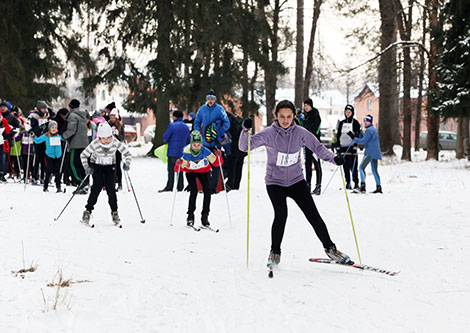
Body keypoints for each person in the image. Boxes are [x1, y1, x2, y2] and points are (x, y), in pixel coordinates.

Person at [239, 100, 351, 267]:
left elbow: (318, 148)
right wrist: (245, 130)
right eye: (282, 116)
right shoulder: (269, 133)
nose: (285, 120)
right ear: (276, 116)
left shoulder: (300, 132)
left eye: (289, 116)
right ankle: (275, 252)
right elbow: (244, 146)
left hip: (296, 181)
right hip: (274, 182)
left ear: (294, 116)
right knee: (281, 215)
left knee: (313, 214)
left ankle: (330, 249)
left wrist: (334, 159)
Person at [80, 122, 132, 226]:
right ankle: (87, 211)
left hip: (110, 166)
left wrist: (127, 163)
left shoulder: (115, 142)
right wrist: (87, 167)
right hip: (97, 166)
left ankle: (114, 212)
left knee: (111, 189)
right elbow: (83, 155)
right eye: (103, 138)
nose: (106, 140)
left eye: (108, 137)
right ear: (99, 137)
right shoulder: (95, 143)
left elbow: (127, 153)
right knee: (96, 188)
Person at [176, 131, 222, 227]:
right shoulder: (187, 152)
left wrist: (219, 156)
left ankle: (205, 216)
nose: (196, 147)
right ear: (191, 144)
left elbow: (217, 163)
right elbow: (178, 169)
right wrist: (178, 164)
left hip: (204, 171)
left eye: (198, 145)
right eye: (194, 145)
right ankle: (190, 215)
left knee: (207, 190)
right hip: (190, 172)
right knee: (193, 190)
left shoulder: (205, 151)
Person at [193, 89, 230, 193]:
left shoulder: (219, 109)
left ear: (215, 100)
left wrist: (219, 132)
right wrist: (197, 133)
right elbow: (197, 122)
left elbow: (227, 123)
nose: (210, 100)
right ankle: (204, 186)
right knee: (204, 165)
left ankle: (213, 188)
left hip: (216, 143)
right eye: (208, 98)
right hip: (204, 143)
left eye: (212, 99)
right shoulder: (202, 109)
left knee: (216, 166)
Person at [348, 114, 382, 194]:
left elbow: (363, 141)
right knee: (374, 170)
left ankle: (362, 187)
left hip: (369, 153)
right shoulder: (372, 130)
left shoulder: (369, 130)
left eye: (367, 121)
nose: (365, 123)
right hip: (375, 153)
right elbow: (366, 139)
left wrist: (354, 138)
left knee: (361, 168)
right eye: (365, 121)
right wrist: (360, 134)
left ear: (370, 122)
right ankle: (378, 187)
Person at [62, 99, 89, 194]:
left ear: (70, 107)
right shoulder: (82, 115)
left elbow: (71, 130)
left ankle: (81, 182)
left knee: (72, 163)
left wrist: (63, 136)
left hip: (75, 144)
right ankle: (85, 182)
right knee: (81, 164)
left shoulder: (72, 116)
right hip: (84, 143)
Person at [159, 110, 190, 192]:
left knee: (171, 170)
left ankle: (170, 186)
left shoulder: (172, 126)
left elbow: (165, 138)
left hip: (172, 151)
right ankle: (180, 187)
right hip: (182, 152)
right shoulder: (186, 127)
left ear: (175, 117)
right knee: (180, 170)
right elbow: (188, 140)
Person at [33, 120, 64, 192]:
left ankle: (58, 187)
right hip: (49, 155)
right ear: (49, 128)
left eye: (55, 127)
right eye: (52, 127)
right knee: (48, 171)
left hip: (58, 155)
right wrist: (33, 135)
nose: (54, 129)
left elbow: (66, 139)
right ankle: (45, 186)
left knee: (58, 172)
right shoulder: (46, 135)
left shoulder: (59, 136)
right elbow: (37, 140)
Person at [336, 104, 361, 190]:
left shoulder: (355, 123)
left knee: (353, 167)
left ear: (352, 113)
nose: (347, 113)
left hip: (351, 148)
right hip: (343, 147)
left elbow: (358, 136)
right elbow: (338, 135)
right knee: (345, 166)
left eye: (349, 112)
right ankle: (348, 182)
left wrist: (355, 145)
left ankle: (356, 182)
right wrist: (337, 146)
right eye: (346, 112)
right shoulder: (341, 123)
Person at [302, 98, 323, 195]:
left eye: (307, 105)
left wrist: (305, 121)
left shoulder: (315, 115)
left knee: (316, 164)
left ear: (311, 106)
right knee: (307, 164)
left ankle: (318, 186)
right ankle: (308, 184)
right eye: (305, 105)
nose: (306, 107)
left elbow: (314, 129)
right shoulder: (305, 115)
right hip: (307, 143)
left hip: (315, 144)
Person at [225, 111, 246, 191]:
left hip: (233, 149)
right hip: (242, 149)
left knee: (232, 168)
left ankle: (230, 185)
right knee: (239, 168)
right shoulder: (239, 121)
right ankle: (236, 185)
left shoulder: (228, 122)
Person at [108, 108, 125, 190]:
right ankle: (111, 182)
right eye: (111, 117)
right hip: (109, 148)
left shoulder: (120, 126)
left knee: (117, 166)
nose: (112, 119)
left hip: (117, 148)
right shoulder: (107, 125)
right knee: (110, 166)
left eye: (113, 117)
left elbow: (122, 137)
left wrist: (117, 135)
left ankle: (119, 182)